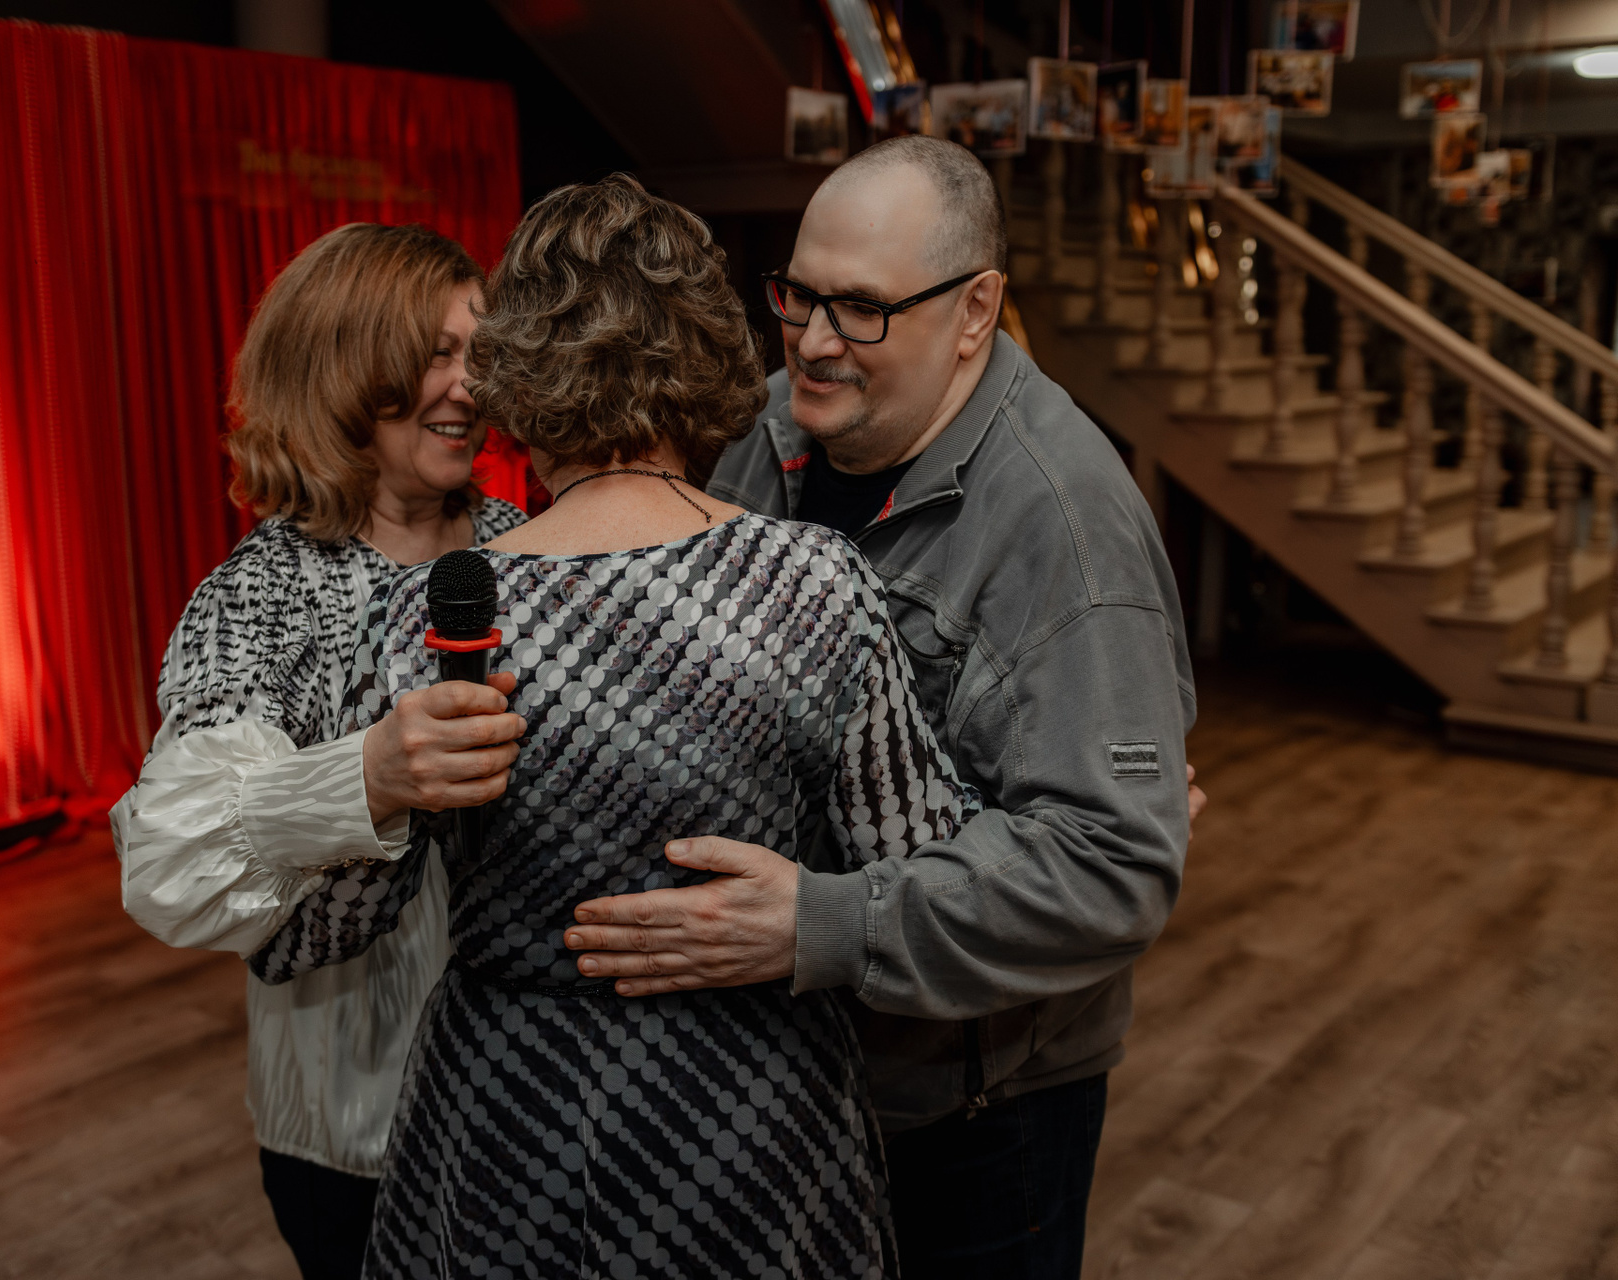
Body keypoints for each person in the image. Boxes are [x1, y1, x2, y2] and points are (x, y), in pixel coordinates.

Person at [245, 173, 983, 1278]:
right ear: (707, 350)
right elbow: (922, 863)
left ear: (515, 371)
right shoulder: (812, 583)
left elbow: (309, 934)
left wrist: (359, 785)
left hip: (505, 1114)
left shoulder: (431, 610)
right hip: (746, 1105)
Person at [561, 136, 1202, 1278]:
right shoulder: (763, 431)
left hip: (972, 1118)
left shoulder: (1063, 521)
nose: (814, 340)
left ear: (974, 311)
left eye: (861, 309)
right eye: (798, 295)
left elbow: (1110, 865)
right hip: (780, 1075)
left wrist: (818, 923)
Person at [110, 222, 529, 1280]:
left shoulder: (524, 544)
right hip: (362, 1135)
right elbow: (170, 859)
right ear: (346, 370)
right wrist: (368, 777)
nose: (469, 386)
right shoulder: (267, 595)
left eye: (479, 353)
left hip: (535, 1109)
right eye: (435, 353)